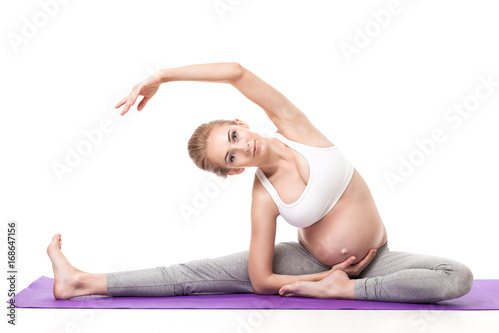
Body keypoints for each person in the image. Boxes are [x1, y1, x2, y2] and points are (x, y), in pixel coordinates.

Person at [47, 62, 473, 303]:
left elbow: (236, 72)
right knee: (195, 273)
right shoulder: (262, 197)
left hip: (376, 260)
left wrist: (162, 76)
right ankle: (81, 281)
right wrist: (315, 282)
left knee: (455, 278)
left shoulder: (295, 128)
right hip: (306, 265)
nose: (241, 149)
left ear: (240, 122)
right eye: (230, 157)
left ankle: (351, 290)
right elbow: (261, 280)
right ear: (233, 170)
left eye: (234, 137)